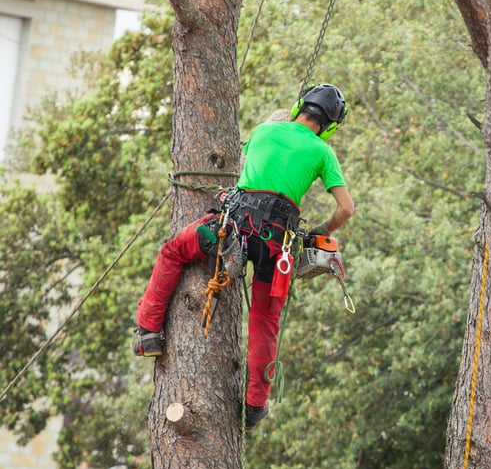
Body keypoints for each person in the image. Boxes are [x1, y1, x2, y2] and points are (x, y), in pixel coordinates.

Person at [132, 83, 355, 432]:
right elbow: (346, 209)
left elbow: (251, 162)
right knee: (266, 319)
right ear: (330, 125)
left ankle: (148, 332)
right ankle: (253, 406)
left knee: (173, 251)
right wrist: (318, 232)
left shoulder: (266, 129)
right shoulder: (323, 152)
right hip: (277, 243)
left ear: (300, 107)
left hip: (233, 223)